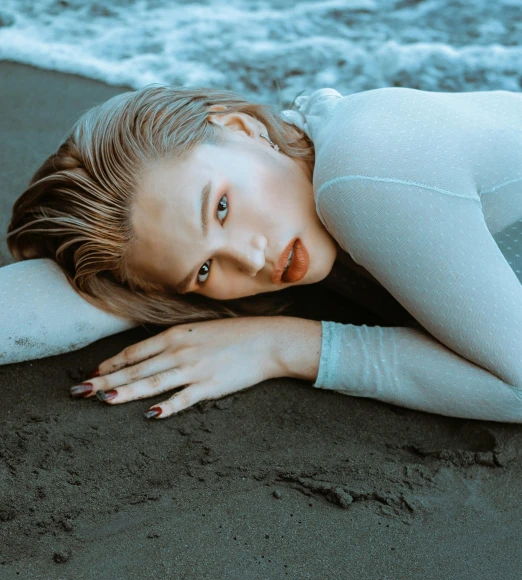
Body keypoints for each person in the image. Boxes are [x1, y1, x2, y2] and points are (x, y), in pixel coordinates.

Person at [2, 85, 522, 423]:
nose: (247, 260)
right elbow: (92, 298)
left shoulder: (362, 170)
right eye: (204, 268)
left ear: (243, 129)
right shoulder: (297, 207)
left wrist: (281, 347)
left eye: (222, 207)